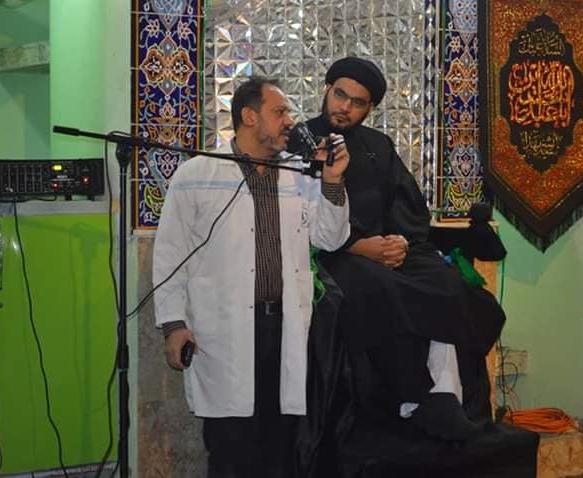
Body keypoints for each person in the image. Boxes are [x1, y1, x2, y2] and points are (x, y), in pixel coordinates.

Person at [153, 76, 351, 478]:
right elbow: (170, 255)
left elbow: (330, 238)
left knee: (280, 447)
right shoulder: (198, 174)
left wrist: (332, 181)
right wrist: (174, 325)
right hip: (223, 332)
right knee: (232, 449)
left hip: (284, 327)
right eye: (279, 112)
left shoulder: (300, 175)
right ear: (249, 116)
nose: (289, 121)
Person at [301, 57, 506, 441]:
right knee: (383, 288)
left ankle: (446, 395)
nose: (345, 107)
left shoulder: (378, 146)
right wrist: (360, 247)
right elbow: (302, 218)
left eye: (357, 102)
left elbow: (406, 205)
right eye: (340, 95)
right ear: (327, 89)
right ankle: (412, 398)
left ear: (369, 108)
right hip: (332, 256)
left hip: (386, 249)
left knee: (447, 283)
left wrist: (399, 242)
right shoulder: (300, 142)